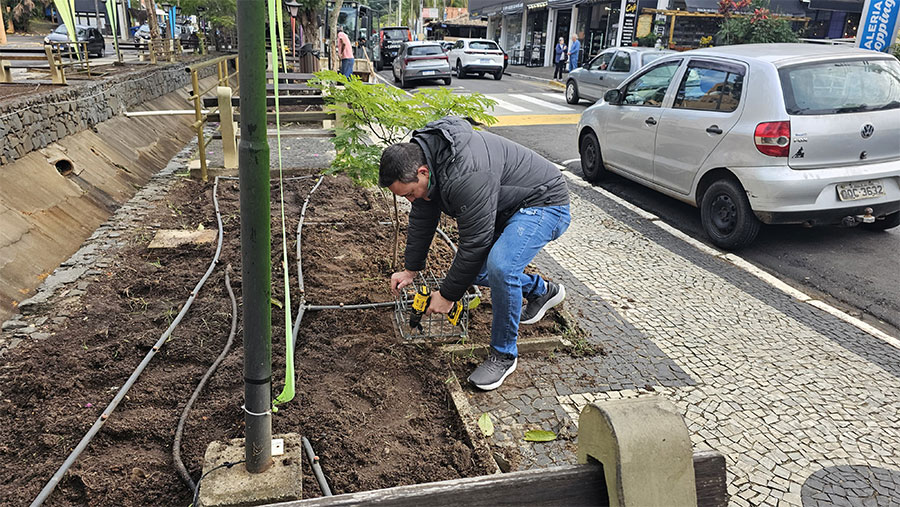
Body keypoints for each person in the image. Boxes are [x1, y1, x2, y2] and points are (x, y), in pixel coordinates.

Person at [380, 117, 571, 391]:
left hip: (544, 203)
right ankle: (542, 291)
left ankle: (503, 355)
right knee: (480, 271)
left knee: (502, 268)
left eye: (409, 194)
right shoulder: (430, 165)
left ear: (422, 172)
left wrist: (447, 296)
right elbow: (423, 217)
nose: (410, 200)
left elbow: (475, 244)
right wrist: (410, 270)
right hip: (507, 206)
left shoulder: (465, 174)